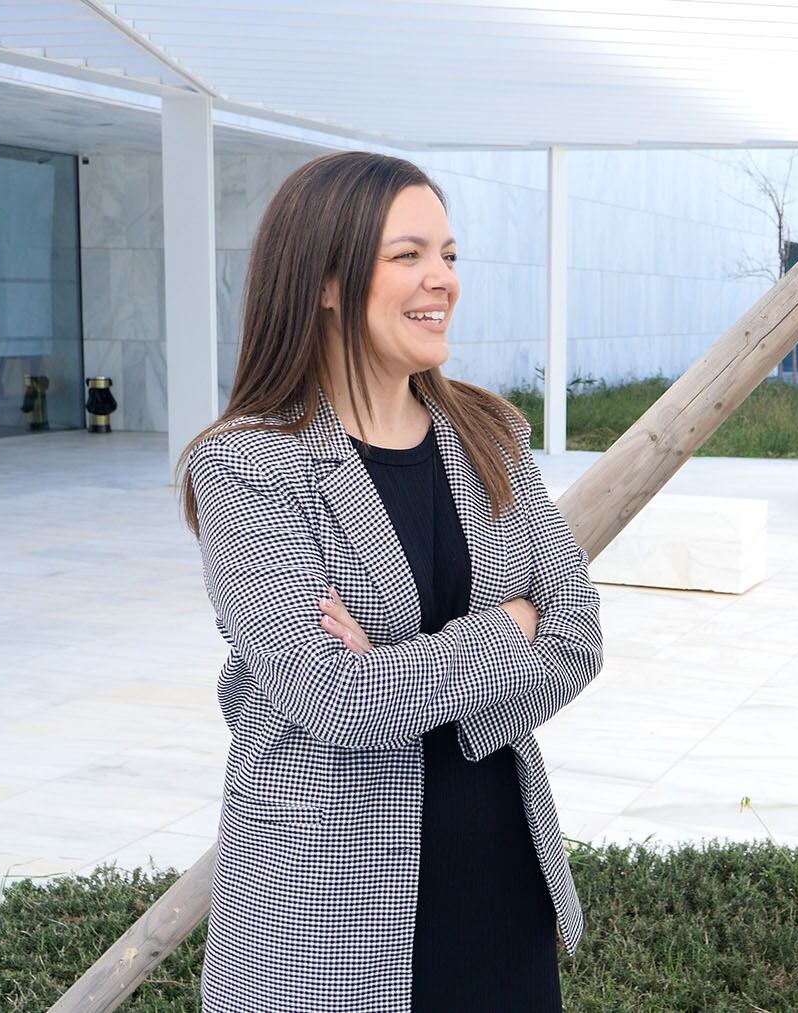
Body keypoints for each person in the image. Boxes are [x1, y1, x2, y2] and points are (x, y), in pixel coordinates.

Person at [179, 151, 602, 1012]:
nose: (440, 278)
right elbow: (331, 695)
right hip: (322, 916)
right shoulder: (249, 466)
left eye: (448, 254)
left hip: (501, 891)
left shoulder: (489, 432)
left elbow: (578, 634)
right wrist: (509, 626)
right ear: (327, 279)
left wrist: (399, 668)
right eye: (408, 255)